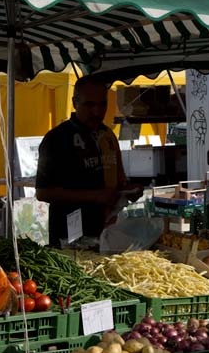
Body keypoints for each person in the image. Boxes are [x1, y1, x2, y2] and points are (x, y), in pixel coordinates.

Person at [35, 78, 142, 246]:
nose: (97, 112)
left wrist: (128, 190)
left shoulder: (108, 136)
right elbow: (43, 193)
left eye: (102, 104)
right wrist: (94, 196)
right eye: (89, 104)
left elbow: (118, 180)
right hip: (69, 236)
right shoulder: (57, 138)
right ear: (74, 103)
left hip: (107, 231)